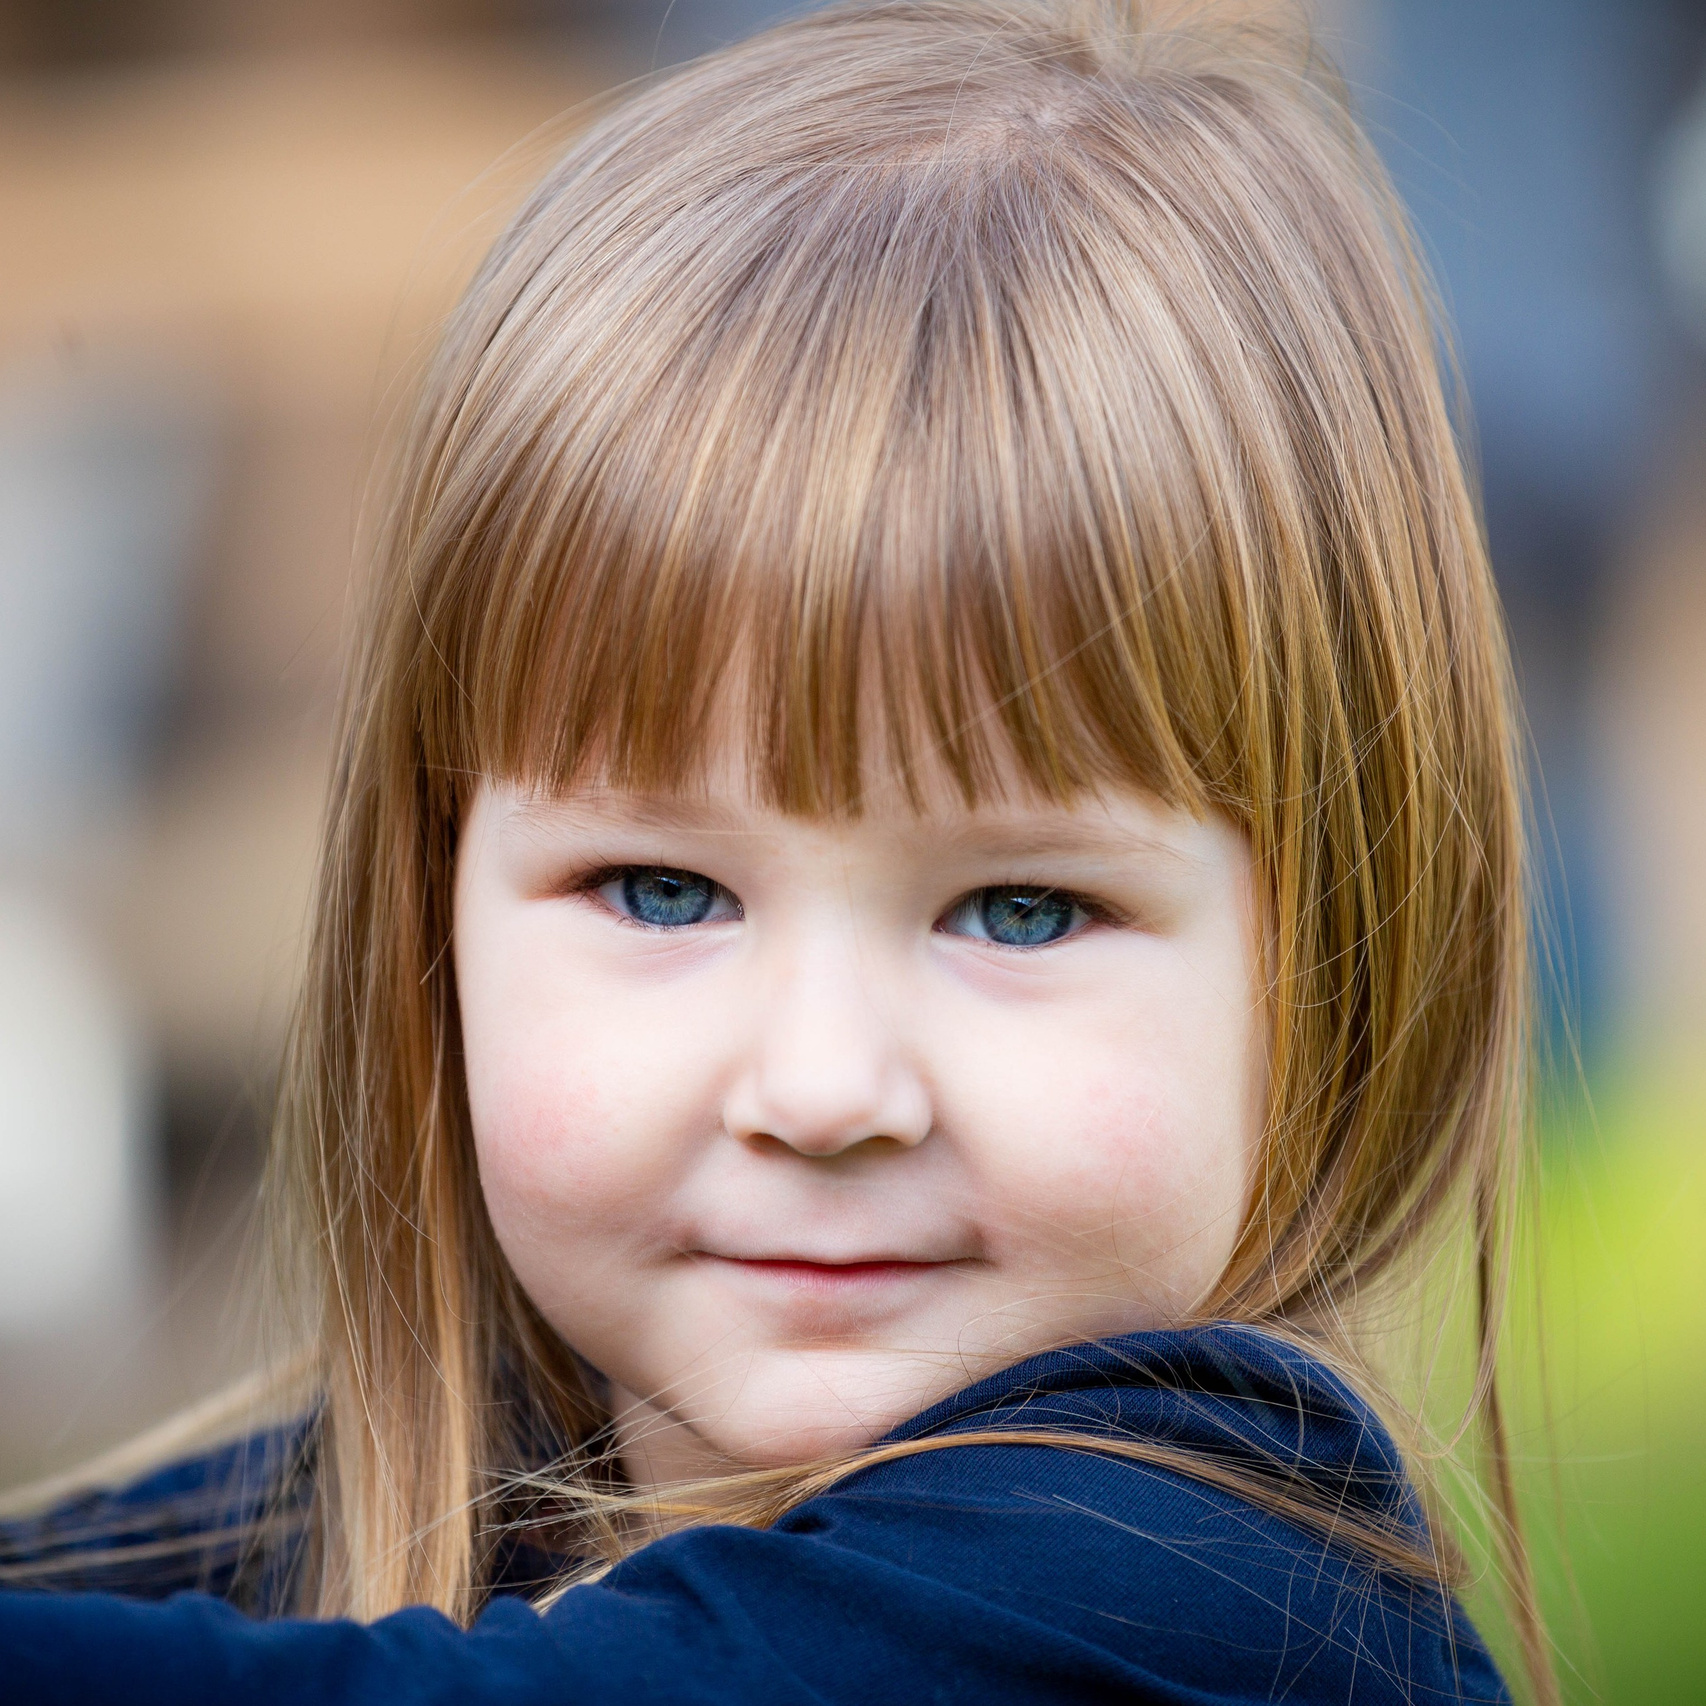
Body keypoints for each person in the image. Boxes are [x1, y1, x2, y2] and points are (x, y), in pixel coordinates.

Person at [0, 2, 1553, 1699]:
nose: (820, 1090)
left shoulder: (1188, 1584)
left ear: (1332, 951)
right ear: (428, 910)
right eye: (665, 889)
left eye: (1022, 907)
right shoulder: (432, 1497)